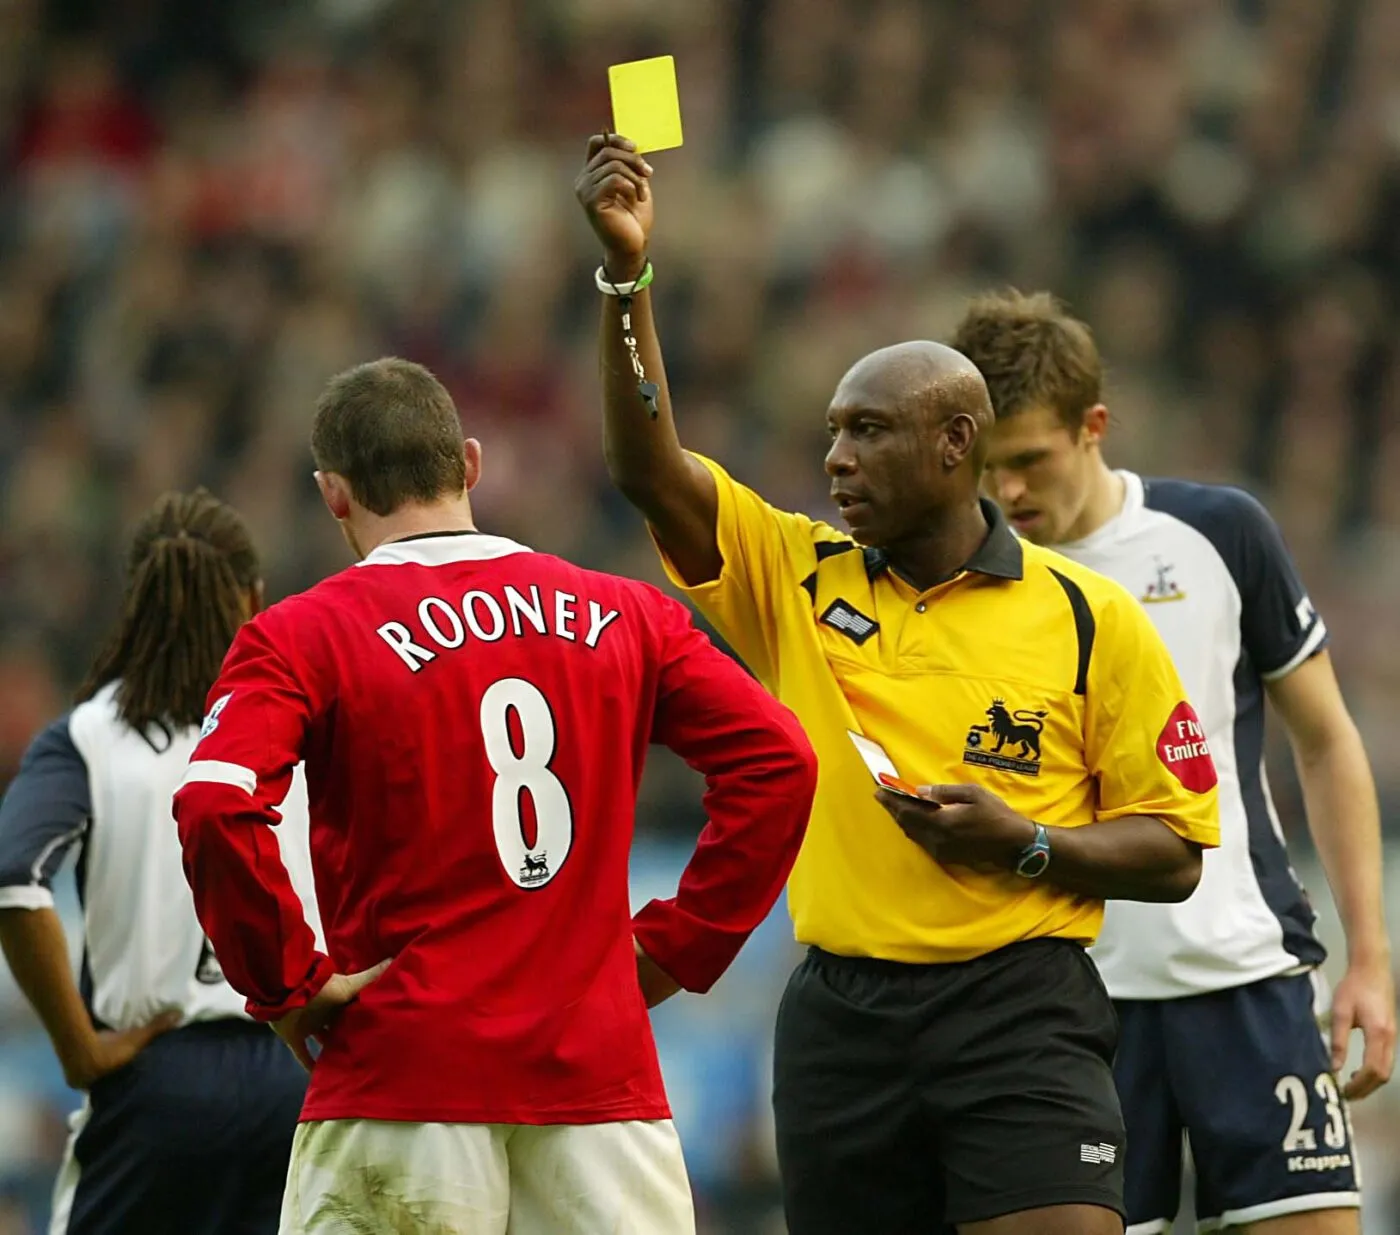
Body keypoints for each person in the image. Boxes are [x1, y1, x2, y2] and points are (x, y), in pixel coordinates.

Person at [575, 134, 1221, 1235]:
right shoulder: (795, 571)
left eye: (868, 432)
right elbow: (648, 469)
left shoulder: (1087, 615)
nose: (836, 459)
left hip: (1019, 1008)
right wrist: (626, 279)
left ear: (955, 442)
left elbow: (1175, 851)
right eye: (833, 434)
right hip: (843, 1018)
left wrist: (1024, 842)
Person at [172, 357, 818, 1235]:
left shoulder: (302, 634)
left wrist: (285, 982)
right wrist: (678, 946)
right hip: (603, 1093)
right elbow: (782, 759)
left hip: (403, 1078)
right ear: (470, 464)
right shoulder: (628, 613)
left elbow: (216, 798)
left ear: (333, 494)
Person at [954, 290, 1395, 1235]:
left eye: (1030, 460)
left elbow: (1326, 738)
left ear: (1093, 426)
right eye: (990, 468)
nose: (1010, 492)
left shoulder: (1219, 533)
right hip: (1071, 1009)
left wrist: (1370, 956)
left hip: (1248, 978)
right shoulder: (966, 582)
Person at [0, 489, 319, 1235]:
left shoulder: (87, 738)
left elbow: (15, 879)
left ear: (134, 604)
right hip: (294, 1073)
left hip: (155, 1080)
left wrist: (79, 1047)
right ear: (254, 601)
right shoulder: (299, 723)